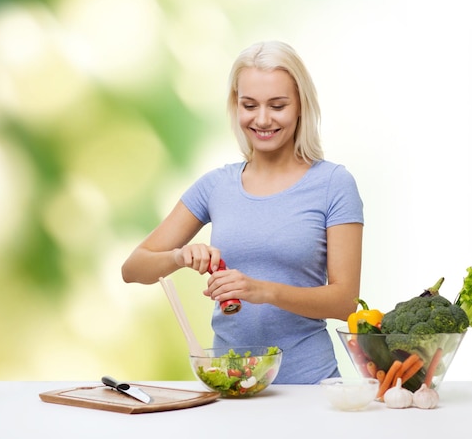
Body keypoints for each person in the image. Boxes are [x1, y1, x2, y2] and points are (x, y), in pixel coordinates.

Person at [121, 41, 364, 384]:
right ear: (236, 106)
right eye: (249, 105)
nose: (262, 119)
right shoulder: (216, 186)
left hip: (309, 386)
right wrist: (178, 256)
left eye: (277, 105)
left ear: (300, 107)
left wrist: (263, 291)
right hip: (229, 384)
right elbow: (133, 268)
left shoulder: (333, 184)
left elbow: (346, 302)